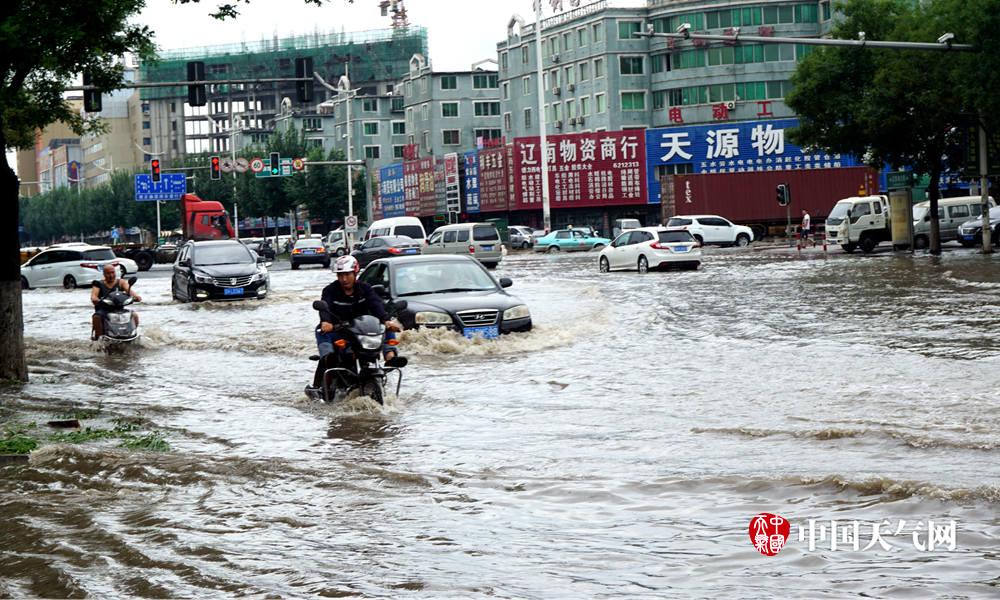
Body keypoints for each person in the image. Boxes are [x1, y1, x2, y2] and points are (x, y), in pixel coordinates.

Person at [311, 255, 403, 389]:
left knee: (386, 328)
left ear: (355, 273)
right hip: (340, 330)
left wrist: (386, 320)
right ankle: (328, 358)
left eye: (347, 274)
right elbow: (325, 307)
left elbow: (375, 304)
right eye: (340, 275)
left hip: (362, 331)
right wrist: (326, 321)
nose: (344, 279)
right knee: (321, 331)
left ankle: (390, 356)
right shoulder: (330, 290)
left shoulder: (365, 289)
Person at [91, 264, 141, 340]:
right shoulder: (98, 284)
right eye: (108, 273)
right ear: (104, 274)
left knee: (134, 315)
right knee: (96, 317)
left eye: (112, 272)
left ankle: (132, 334)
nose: (111, 275)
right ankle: (99, 339)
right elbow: (94, 296)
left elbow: (129, 291)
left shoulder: (121, 282)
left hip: (120, 310)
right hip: (104, 310)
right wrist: (96, 300)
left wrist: (136, 297)